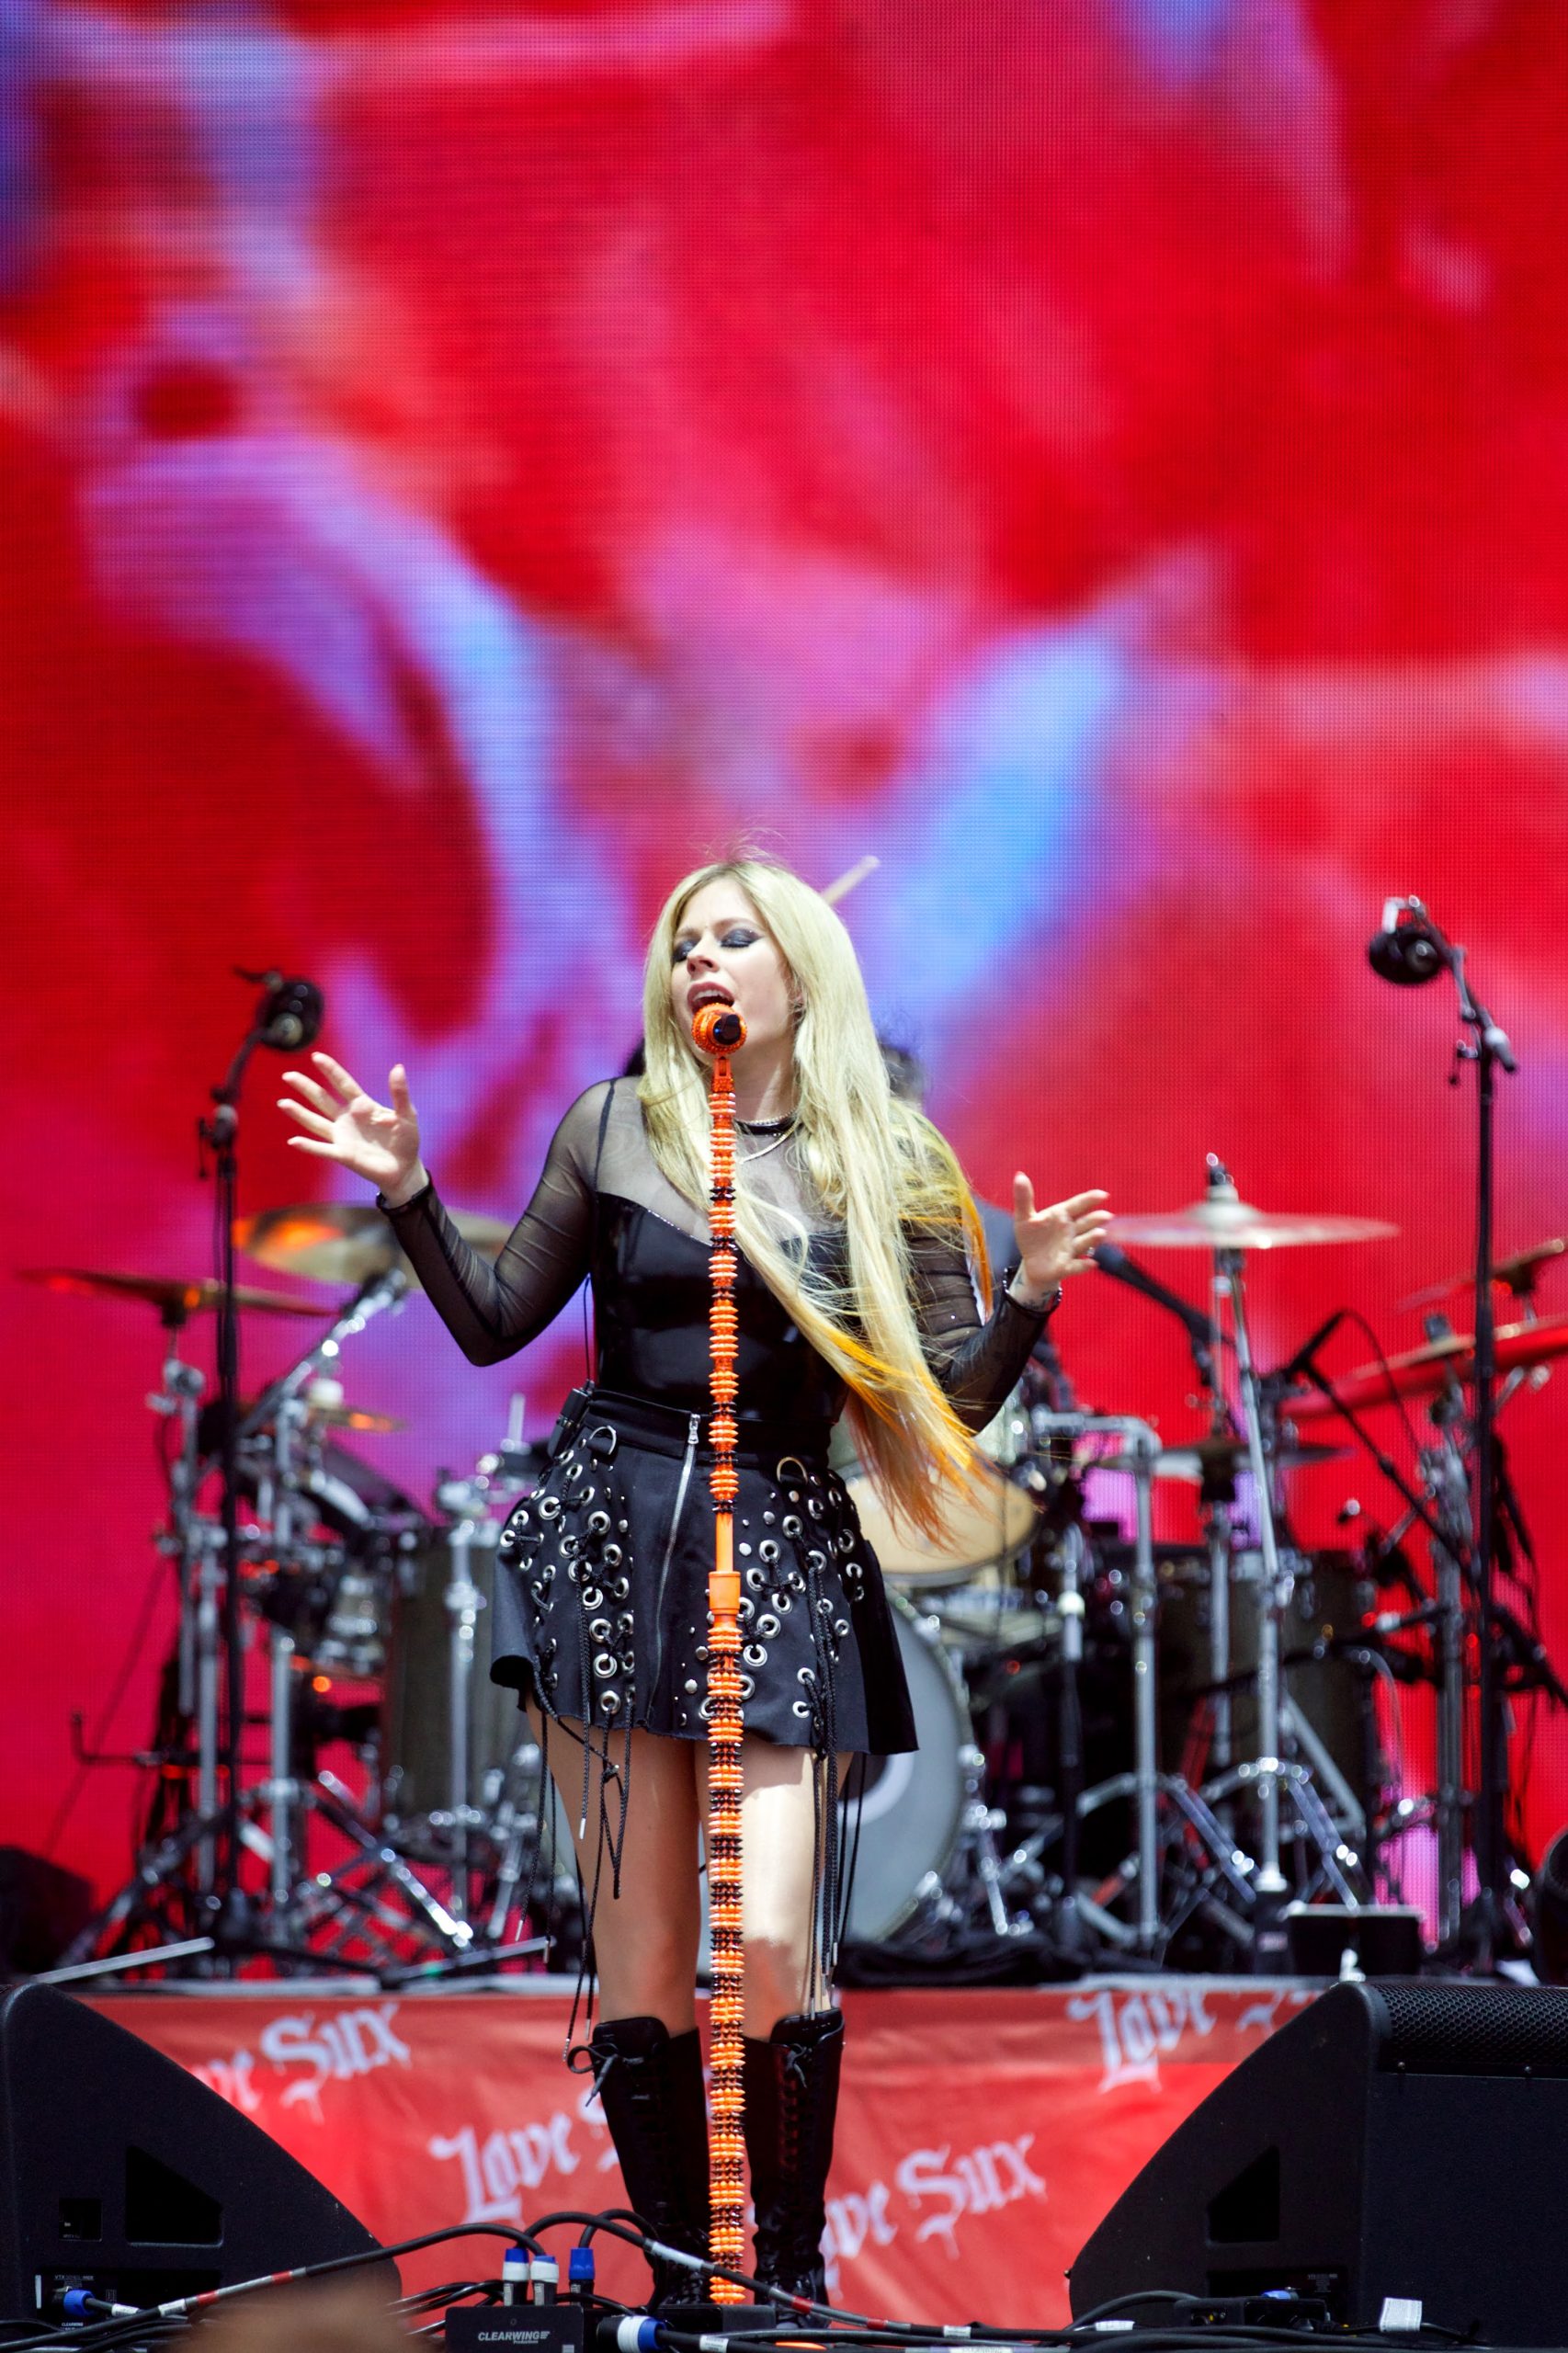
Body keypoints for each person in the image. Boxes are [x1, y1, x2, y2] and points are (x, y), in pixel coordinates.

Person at [278, 857, 1109, 2307]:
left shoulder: (893, 1159)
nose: (699, 963)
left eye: (732, 937)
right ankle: (678, 2284)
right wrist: (408, 1190)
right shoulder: (614, 1126)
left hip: (778, 1536)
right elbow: (491, 1324)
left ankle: (785, 2275)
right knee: (646, 1952)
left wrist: (1027, 1292)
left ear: (803, 970)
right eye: (681, 944)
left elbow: (945, 1414)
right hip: (612, 1536)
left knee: (776, 1939)